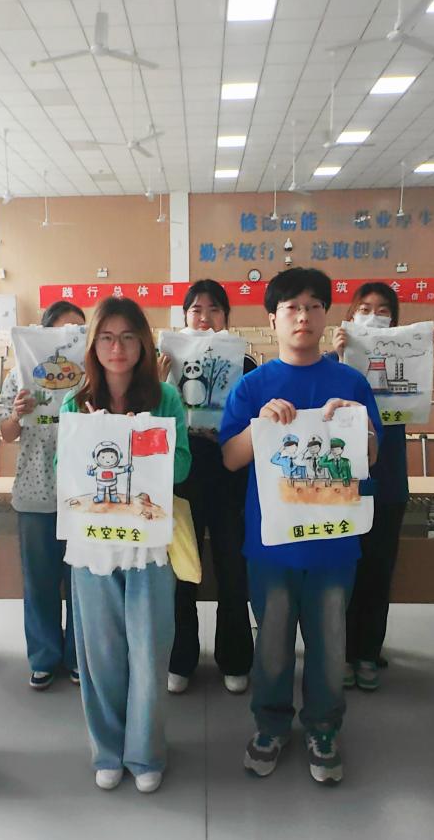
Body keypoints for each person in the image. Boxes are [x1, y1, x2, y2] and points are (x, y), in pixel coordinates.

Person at [220, 267, 382, 785]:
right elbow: (229, 458)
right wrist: (260, 426)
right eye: (291, 307)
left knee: (330, 644)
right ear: (273, 319)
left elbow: (372, 455)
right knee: (271, 644)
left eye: (313, 306)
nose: (303, 316)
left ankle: (323, 728)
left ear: (326, 315)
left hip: (335, 545)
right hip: (271, 546)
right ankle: (270, 725)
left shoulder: (350, 382)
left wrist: (356, 424)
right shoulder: (253, 386)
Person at [60, 297, 191, 794]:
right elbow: (64, 473)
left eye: (129, 337)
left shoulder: (166, 397)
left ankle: (146, 752)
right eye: (108, 338)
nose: (118, 348)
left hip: (148, 546)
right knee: (101, 655)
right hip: (93, 547)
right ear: (94, 344)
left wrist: (142, 437)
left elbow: (182, 467)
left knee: (149, 651)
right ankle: (108, 750)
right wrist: (96, 434)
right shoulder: (75, 402)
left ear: (144, 343)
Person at [158, 280, 257, 695]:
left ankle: (235, 658)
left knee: (233, 567)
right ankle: (180, 658)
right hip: (182, 474)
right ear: (184, 316)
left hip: (231, 473)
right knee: (183, 568)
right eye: (196, 309)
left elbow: (255, 419)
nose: (204, 316)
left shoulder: (244, 362)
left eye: (214, 309)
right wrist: (157, 381)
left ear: (226, 317)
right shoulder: (165, 361)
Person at [0, 300, 87, 691]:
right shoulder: (20, 371)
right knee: (39, 581)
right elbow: (6, 434)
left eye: (77, 331)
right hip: (35, 488)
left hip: (83, 491)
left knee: (81, 581)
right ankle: (44, 656)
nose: (69, 337)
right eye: (62, 329)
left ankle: (78, 656)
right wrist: (17, 414)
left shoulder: (92, 372)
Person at [330, 282, 410, 691]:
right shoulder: (333, 361)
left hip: (389, 478)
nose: (373, 316)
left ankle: (367, 652)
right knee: (343, 570)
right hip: (343, 481)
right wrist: (342, 358)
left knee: (378, 570)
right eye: (364, 308)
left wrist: (422, 357)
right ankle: (340, 651)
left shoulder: (405, 359)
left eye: (382, 310)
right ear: (350, 315)